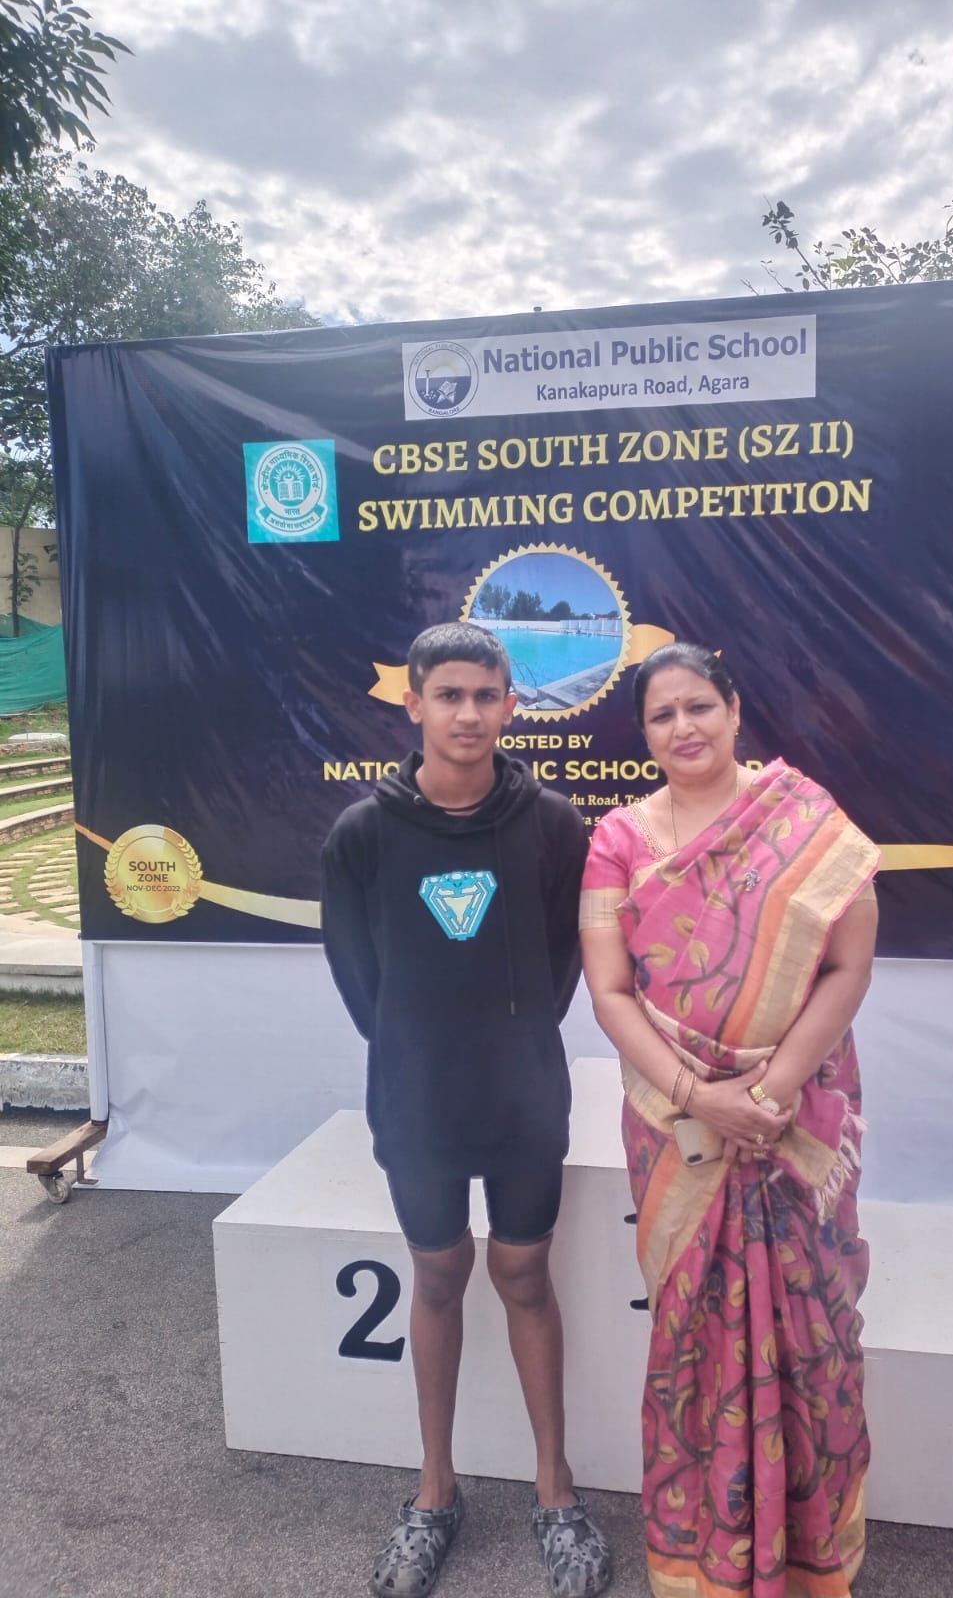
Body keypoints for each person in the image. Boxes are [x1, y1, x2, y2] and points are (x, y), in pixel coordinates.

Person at [579, 642, 879, 1598]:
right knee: (694, 1337)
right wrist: (700, 1096)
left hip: (797, 1115)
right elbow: (609, 990)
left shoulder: (807, 821)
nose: (684, 728)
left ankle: (812, 1559)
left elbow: (849, 965)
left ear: (736, 709)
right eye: (662, 716)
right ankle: (701, 1557)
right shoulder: (618, 840)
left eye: (699, 706)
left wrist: (775, 1089)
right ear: (643, 734)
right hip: (680, 1129)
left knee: (813, 1330)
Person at [321, 621, 611, 1598]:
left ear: (512, 706)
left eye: (487, 695)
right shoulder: (362, 834)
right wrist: (424, 1045)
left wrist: (509, 1039)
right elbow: (359, 980)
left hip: (523, 1094)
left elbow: (566, 963)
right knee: (439, 1273)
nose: (469, 713)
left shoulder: (555, 825)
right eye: (448, 694)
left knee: (524, 1275)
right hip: (417, 1096)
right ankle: (435, 1492)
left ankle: (556, 1492)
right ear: (413, 703)